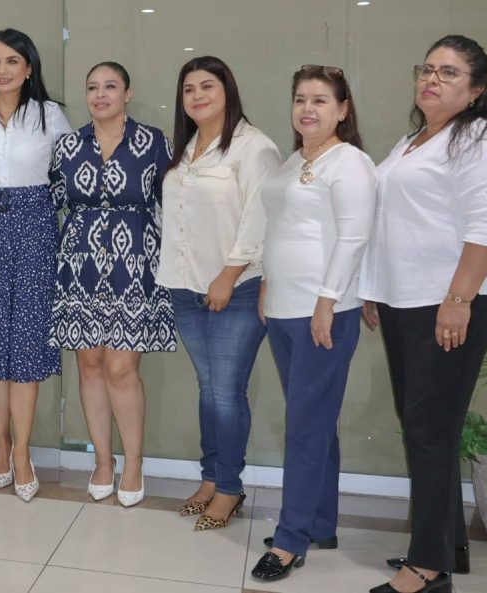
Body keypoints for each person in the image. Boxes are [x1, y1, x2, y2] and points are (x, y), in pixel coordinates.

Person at [360, 35, 487, 593]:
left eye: (449, 72)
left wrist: (458, 301)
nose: (432, 79)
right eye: (427, 69)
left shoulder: (483, 140)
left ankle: (427, 568)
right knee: (427, 429)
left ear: (476, 90)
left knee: (428, 432)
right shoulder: (413, 141)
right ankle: (447, 545)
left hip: (452, 303)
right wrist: (374, 288)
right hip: (407, 301)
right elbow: (393, 223)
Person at [250, 65, 376, 582]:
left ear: (342, 110)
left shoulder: (350, 163)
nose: (308, 109)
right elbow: (278, 227)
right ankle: (320, 522)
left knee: (304, 425)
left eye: (321, 100)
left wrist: (328, 300)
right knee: (315, 420)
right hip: (284, 308)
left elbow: (354, 236)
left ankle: (290, 540)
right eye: (301, 99)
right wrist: (266, 281)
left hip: (324, 312)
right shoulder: (292, 162)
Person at [157, 56, 280, 528]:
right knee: (209, 389)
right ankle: (210, 478)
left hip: (237, 289)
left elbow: (260, 217)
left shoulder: (254, 147)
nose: (197, 96)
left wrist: (228, 276)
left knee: (226, 392)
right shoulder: (188, 147)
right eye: (189, 89)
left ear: (228, 90)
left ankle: (229, 487)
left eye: (207, 86)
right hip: (186, 287)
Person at [49, 62, 173, 507]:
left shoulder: (153, 142)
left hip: (135, 264)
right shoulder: (68, 145)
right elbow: (53, 201)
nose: (100, 95)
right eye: (92, 88)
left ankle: (134, 463)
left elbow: (173, 202)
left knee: (121, 369)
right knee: (89, 366)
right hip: (79, 264)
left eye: (110, 86)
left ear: (127, 93)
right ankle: (103, 461)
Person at [0, 28, 72, 501]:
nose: (1, 70)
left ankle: (23, 451)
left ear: (29, 68)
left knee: (26, 341)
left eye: (12, 61)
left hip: (35, 226)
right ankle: (0, 446)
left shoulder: (50, 115)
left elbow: (68, 178)